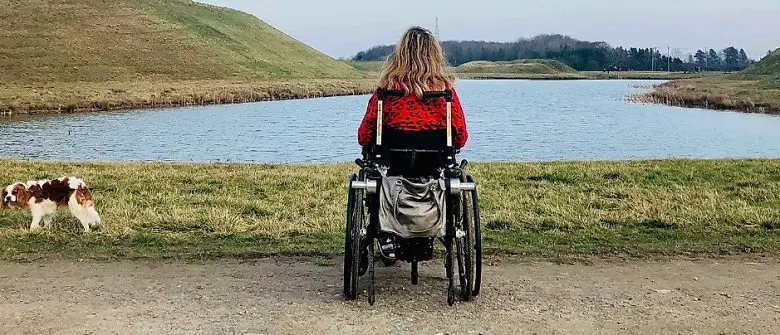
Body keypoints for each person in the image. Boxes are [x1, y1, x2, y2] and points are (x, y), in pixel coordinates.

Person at [357, 26, 468, 177]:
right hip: (435, 166)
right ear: (434, 56)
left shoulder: (385, 92)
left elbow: (364, 136)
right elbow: (461, 138)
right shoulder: (446, 93)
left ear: (400, 55)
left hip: (392, 165)